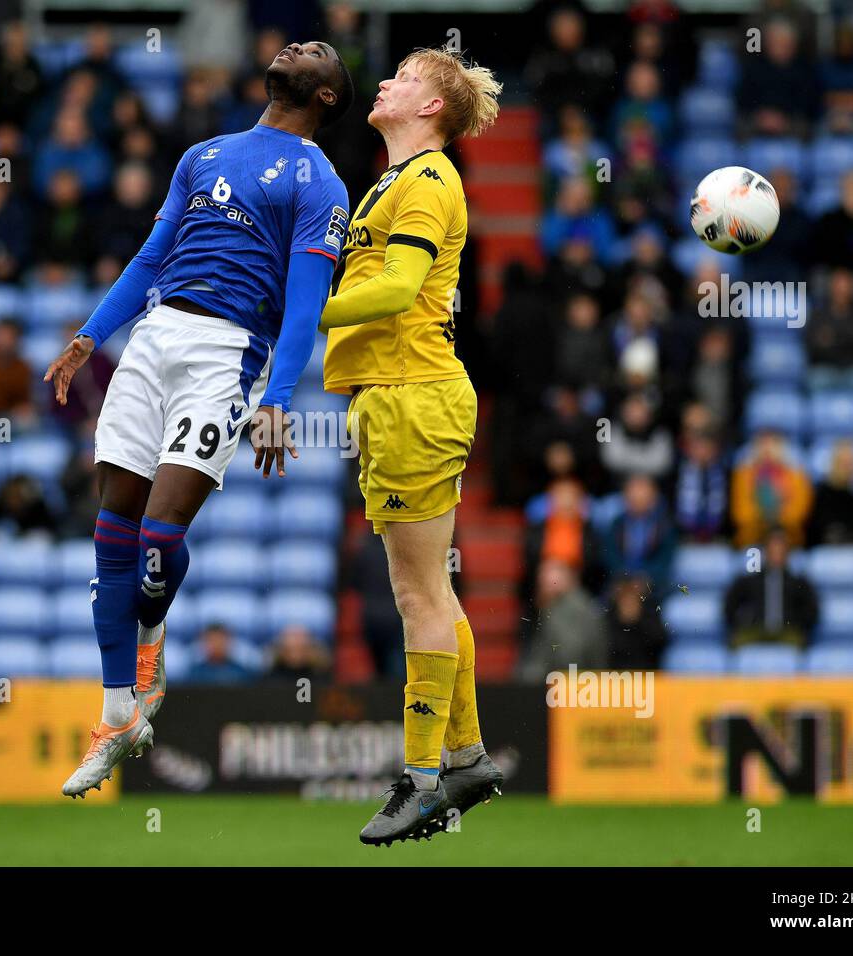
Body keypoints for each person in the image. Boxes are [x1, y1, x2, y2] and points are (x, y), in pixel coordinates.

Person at [45, 40, 352, 799]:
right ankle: (119, 715)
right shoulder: (202, 153)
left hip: (227, 353)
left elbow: (306, 305)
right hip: (152, 338)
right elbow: (152, 256)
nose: (297, 46)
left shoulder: (321, 181)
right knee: (111, 533)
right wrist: (90, 336)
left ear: (328, 97)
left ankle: (150, 650)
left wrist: (278, 400)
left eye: (317, 51)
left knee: (158, 536)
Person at [316, 45, 503, 844]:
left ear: (430, 108)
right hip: (396, 398)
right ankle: (466, 756)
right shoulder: (394, 180)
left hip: (413, 396)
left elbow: (394, 288)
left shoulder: (430, 179)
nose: (384, 82)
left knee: (418, 598)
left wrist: (294, 317)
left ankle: (422, 779)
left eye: (404, 76)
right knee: (430, 591)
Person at [723, 529, 819, 647]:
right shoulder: (749, 580)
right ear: (766, 552)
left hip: (787, 632)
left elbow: (811, 611)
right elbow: (730, 604)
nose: (777, 554)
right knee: (737, 643)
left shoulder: (798, 582)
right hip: (755, 630)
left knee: (799, 644)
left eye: (780, 550)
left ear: (787, 553)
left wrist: (798, 625)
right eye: (773, 550)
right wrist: (742, 623)